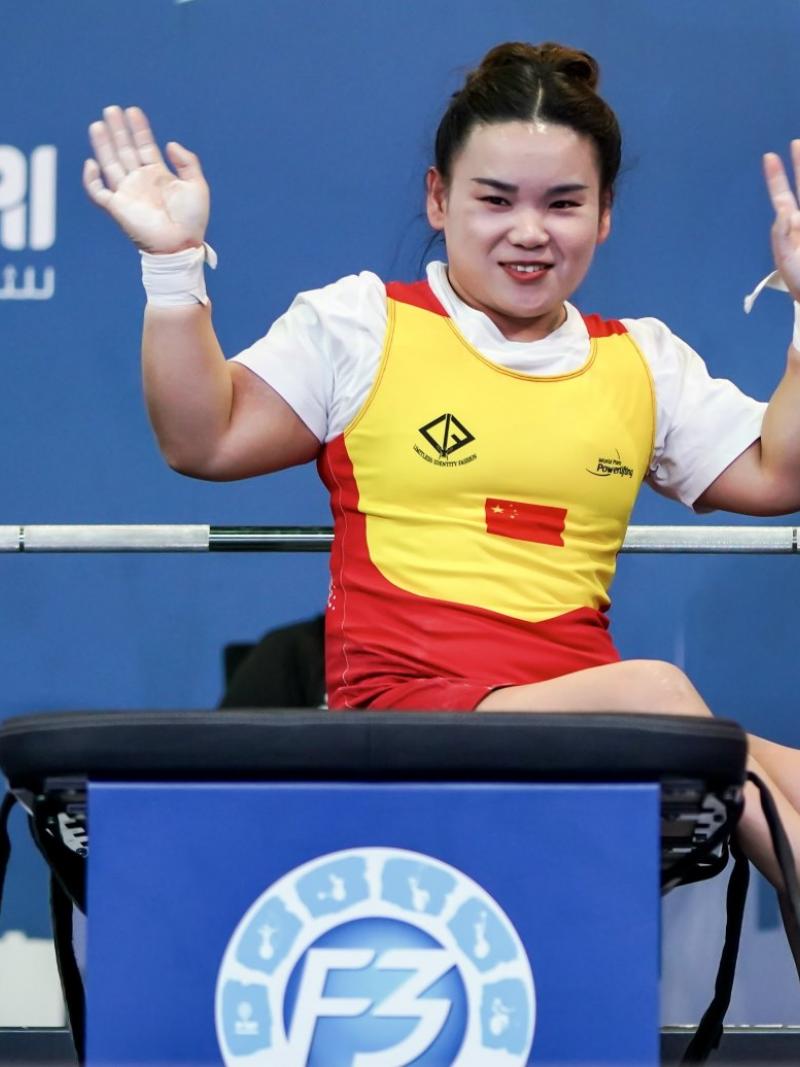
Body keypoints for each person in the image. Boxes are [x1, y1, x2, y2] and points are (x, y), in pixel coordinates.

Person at [83, 41, 800, 889]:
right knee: (664, 696)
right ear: (438, 197)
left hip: (585, 722)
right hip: (406, 721)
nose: (529, 232)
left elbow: (776, 475)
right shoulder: (360, 326)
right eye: (495, 200)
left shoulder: (643, 361)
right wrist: (170, 268)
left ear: (605, 213)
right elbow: (200, 440)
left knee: (761, 761)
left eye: (564, 203)